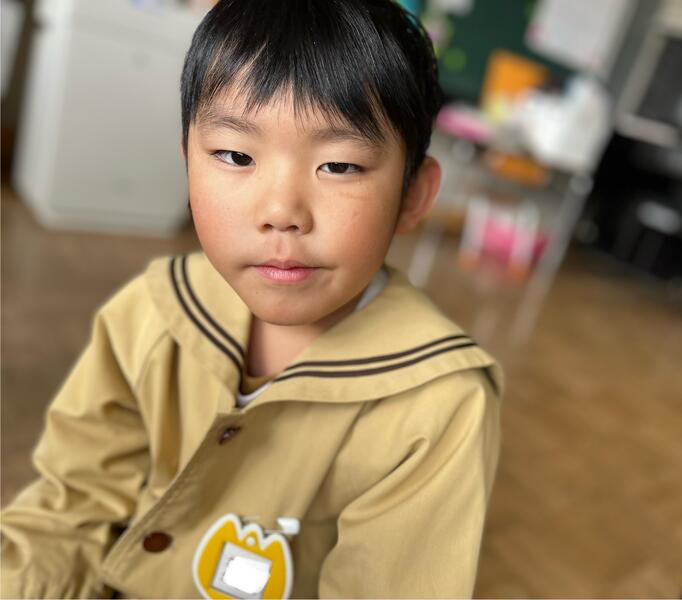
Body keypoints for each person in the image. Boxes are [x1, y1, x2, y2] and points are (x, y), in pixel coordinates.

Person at [0, 0, 503, 597]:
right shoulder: (152, 311)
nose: (281, 212)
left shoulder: (439, 406)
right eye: (236, 156)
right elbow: (71, 509)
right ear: (187, 162)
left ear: (414, 195)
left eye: (340, 165)